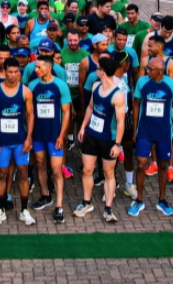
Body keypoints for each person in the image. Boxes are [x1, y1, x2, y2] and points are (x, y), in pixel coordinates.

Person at [128, 57, 173, 218]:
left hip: (164, 132)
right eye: (147, 68)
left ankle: (162, 199)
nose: (147, 71)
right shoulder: (142, 82)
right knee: (141, 164)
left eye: (150, 69)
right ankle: (139, 199)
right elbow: (136, 104)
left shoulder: (171, 85)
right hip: (144, 131)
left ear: (160, 71)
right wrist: (134, 130)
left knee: (163, 166)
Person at [76, 57, 126, 222]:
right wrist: (83, 127)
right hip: (92, 135)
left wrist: (117, 144)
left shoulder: (117, 95)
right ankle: (86, 203)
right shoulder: (96, 86)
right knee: (87, 170)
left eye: (98, 68)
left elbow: (120, 122)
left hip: (108, 139)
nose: (96, 70)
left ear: (102, 71)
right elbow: (91, 107)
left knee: (108, 173)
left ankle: (108, 209)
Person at [0, 57, 36, 226]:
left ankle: (24, 210)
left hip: (20, 140)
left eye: (16, 72)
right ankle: (0, 210)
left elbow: (30, 116)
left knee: (23, 172)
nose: (13, 75)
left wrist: (29, 137)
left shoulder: (25, 92)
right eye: (10, 72)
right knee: (2, 173)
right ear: (4, 72)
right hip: (2, 141)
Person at [29, 56, 72, 224]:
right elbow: (30, 113)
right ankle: (45, 195)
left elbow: (67, 113)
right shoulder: (32, 86)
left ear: (49, 67)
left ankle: (59, 206)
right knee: (39, 165)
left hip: (55, 136)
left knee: (56, 170)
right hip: (38, 135)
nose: (36, 70)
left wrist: (62, 135)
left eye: (39, 67)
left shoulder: (60, 86)